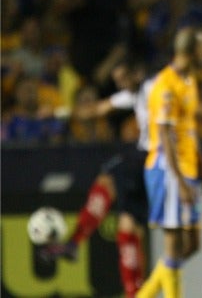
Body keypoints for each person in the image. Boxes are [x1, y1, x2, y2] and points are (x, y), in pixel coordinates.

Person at [41, 57, 154, 297]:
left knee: (109, 176)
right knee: (128, 227)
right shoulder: (135, 93)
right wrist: (60, 112)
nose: (120, 84)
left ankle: (74, 242)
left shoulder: (154, 87)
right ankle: (135, 292)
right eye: (117, 81)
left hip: (152, 157)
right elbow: (97, 109)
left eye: (123, 78)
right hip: (153, 165)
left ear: (137, 73)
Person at [137, 27, 202, 298]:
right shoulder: (165, 86)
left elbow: (188, 129)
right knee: (173, 247)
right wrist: (180, 182)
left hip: (188, 168)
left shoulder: (189, 80)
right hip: (168, 170)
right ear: (192, 51)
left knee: (192, 244)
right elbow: (164, 137)